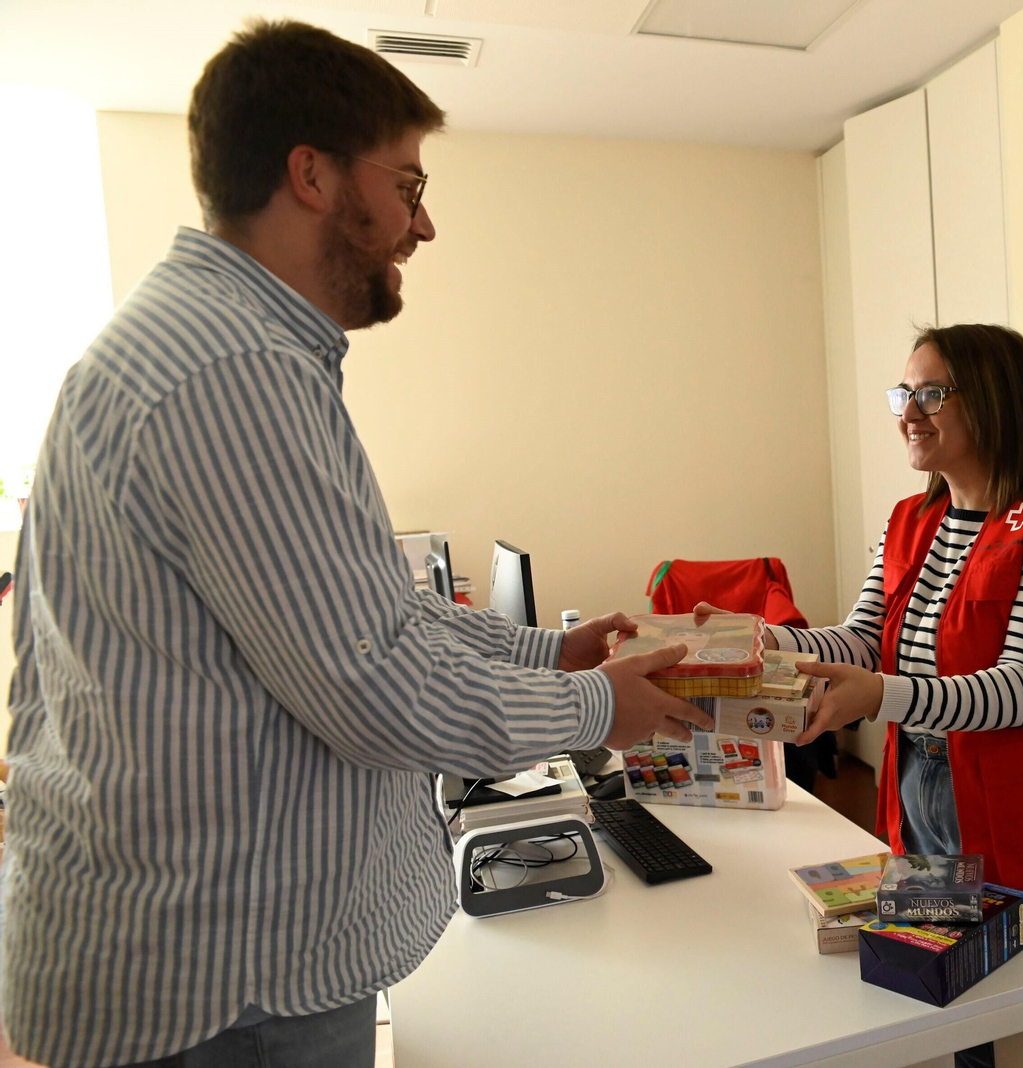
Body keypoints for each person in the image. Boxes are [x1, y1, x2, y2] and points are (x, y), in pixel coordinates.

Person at [0, 20, 712, 1068]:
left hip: (212, 960)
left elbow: (369, 607)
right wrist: (602, 706)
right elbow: (375, 686)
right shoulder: (231, 371)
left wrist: (545, 654)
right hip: (224, 988)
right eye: (409, 186)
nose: (424, 226)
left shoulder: (212, 345)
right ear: (312, 176)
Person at [699, 323, 1023, 1068]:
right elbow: (867, 640)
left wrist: (879, 695)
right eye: (902, 393)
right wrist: (765, 642)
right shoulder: (911, 521)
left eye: (931, 393)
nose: (907, 412)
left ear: (995, 400)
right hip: (926, 800)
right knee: (960, 1020)